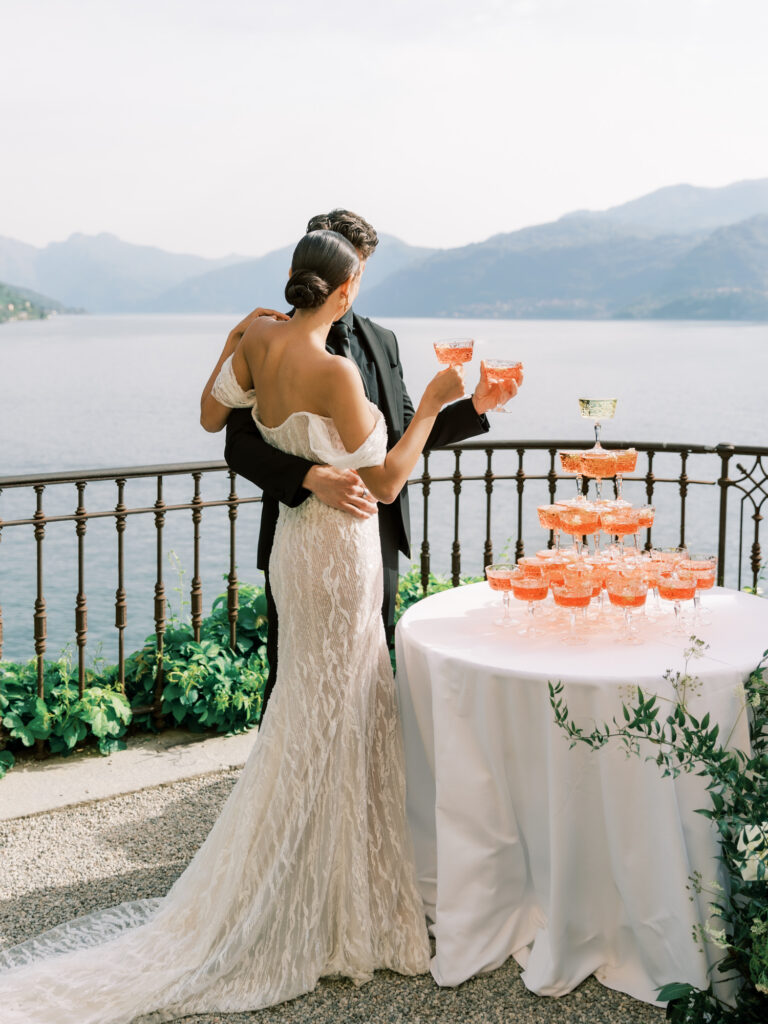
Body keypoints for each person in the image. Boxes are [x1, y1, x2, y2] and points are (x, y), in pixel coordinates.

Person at [0, 228, 515, 1024]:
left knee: (310, 704)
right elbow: (382, 481)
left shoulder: (252, 333)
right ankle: (316, 887)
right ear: (343, 291)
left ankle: (326, 869)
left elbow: (213, 415)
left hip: (298, 556)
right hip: (339, 555)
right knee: (341, 702)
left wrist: (242, 348)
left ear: (293, 278)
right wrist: (439, 407)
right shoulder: (338, 369)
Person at [213, 208, 518, 721]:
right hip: (304, 540)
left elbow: (400, 438)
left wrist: (474, 409)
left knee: (364, 682)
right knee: (292, 679)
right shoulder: (269, 338)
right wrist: (309, 477)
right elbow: (237, 444)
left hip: (372, 541)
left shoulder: (383, 342)